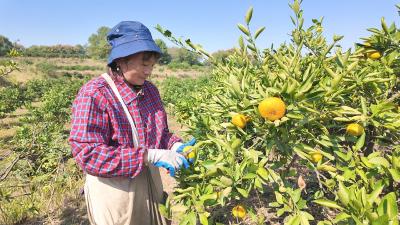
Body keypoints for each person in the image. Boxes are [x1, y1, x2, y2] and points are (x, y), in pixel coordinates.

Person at [69, 21, 196, 225]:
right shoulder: (96, 94)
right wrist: (149, 155)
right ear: (121, 60)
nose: (149, 72)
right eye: (145, 64)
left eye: (152, 65)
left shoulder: (150, 91)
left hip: (151, 185)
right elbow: (88, 154)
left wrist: (175, 145)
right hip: (116, 193)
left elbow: (160, 133)